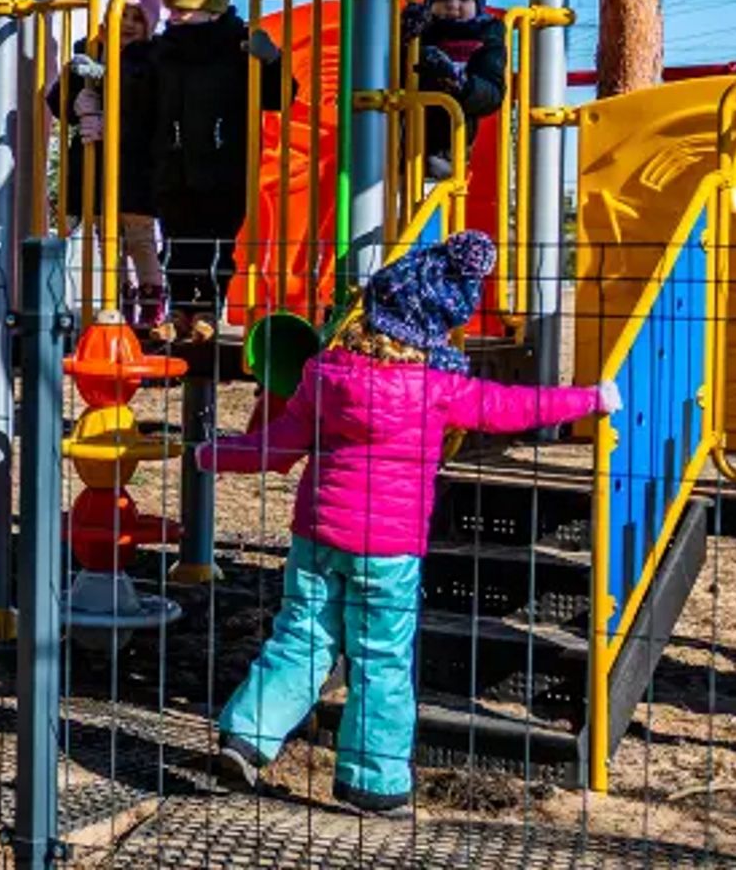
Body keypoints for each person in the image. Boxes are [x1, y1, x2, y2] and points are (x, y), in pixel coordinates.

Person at [197, 231, 620, 815]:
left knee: (301, 636)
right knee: (381, 659)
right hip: (388, 552)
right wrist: (590, 399)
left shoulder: (324, 374)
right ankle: (374, 783)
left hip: (316, 536)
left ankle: (247, 736)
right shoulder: (438, 390)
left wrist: (208, 454)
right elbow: (516, 408)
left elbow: (274, 448)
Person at [147, 0, 292, 342]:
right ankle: (178, 308)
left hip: (225, 164)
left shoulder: (237, 49)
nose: (174, 16)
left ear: (212, 10)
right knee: (176, 240)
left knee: (215, 243)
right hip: (173, 162)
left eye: (183, 10)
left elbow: (280, 97)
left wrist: (273, 62)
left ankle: (209, 308)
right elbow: (141, 96)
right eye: (172, 9)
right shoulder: (163, 52)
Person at [49, 0, 165, 327]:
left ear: (149, 25)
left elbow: (143, 101)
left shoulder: (149, 60)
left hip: (136, 168)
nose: (127, 24)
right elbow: (57, 104)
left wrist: (103, 79)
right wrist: (77, 96)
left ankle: (151, 302)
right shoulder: (89, 51)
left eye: (136, 18)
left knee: (140, 239)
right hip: (97, 170)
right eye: (122, 14)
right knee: (107, 242)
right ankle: (118, 301)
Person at [402, 0, 507, 181]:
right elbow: (390, 71)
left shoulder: (486, 36)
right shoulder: (422, 29)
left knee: (431, 190)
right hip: (401, 137)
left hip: (448, 144)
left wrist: (461, 84)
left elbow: (493, 94)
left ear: (478, 4)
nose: (453, 5)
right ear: (431, 2)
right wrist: (404, 35)